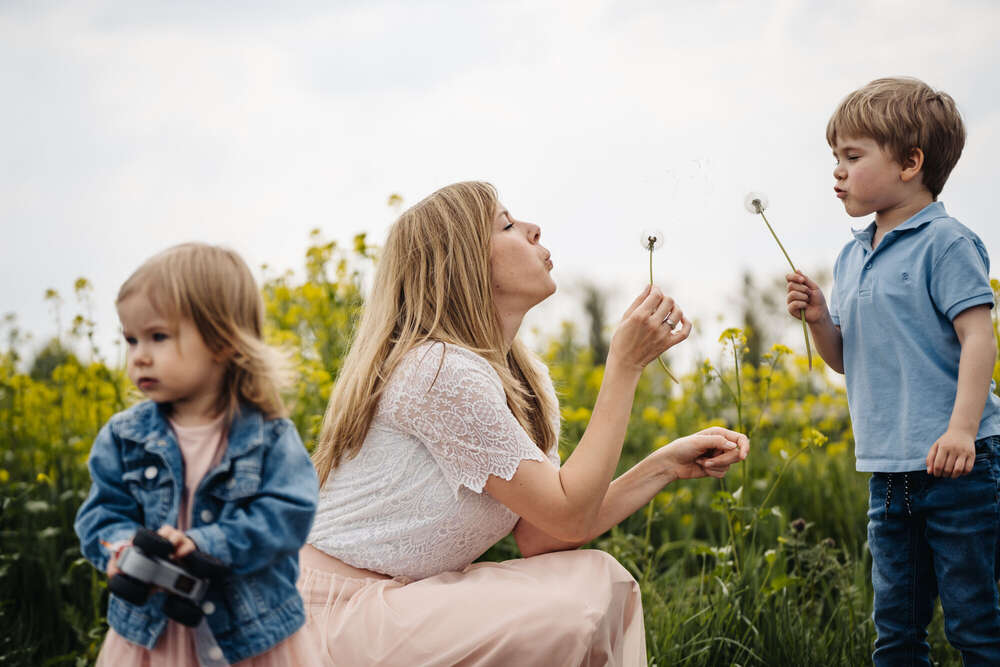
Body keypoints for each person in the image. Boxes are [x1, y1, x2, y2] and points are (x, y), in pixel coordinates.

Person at [299, 181, 750, 666]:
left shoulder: (520, 378)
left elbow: (543, 533)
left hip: (398, 606)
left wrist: (663, 466)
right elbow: (567, 516)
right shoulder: (438, 370)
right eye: (508, 225)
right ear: (465, 264)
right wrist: (624, 364)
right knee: (573, 603)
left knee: (594, 580)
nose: (534, 229)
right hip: (327, 613)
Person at [786, 77, 1000, 664]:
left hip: (959, 466)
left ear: (910, 163)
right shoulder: (851, 256)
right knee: (897, 629)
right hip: (888, 473)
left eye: (853, 157)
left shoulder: (946, 243)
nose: (838, 172)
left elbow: (979, 339)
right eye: (835, 157)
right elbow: (845, 359)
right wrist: (820, 319)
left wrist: (961, 430)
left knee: (973, 623)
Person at [74, 243, 321, 666]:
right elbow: (101, 514)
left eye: (158, 337)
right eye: (131, 340)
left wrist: (203, 545)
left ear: (221, 341)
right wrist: (123, 551)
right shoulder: (123, 436)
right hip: (151, 636)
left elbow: (288, 515)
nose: (139, 357)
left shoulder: (270, 437)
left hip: (251, 635)